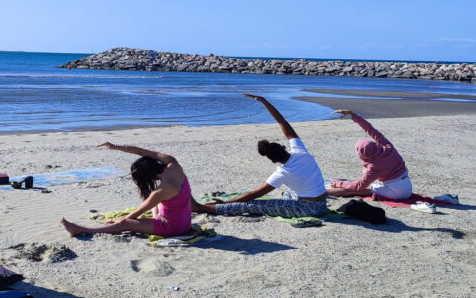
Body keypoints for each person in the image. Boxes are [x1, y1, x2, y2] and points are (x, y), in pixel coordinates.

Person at [191, 94, 327, 219]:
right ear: (284, 148)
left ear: (273, 161)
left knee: (252, 205)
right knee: (288, 192)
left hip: (309, 209)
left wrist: (227, 202)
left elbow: (253, 195)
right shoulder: (301, 151)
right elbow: (283, 123)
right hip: (322, 203)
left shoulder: (283, 173)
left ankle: (200, 207)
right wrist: (265, 101)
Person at [61, 142, 192, 238]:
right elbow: (142, 152)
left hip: (172, 228)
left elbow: (136, 213)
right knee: (155, 204)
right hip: (185, 222)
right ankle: (155, 217)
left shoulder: (160, 192)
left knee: (126, 223)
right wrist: (116, 147)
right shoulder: (172, 163)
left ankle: (82, 230)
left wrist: (119, 222)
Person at [325, 110, 412, 200]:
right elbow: (370, 129)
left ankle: (321, 192)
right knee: (358, 184)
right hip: (406, 184)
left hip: (396, 192)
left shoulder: (373, 167)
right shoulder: (387, 147)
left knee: (353, 190)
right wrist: (353, 115)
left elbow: (358, 186)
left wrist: (339, 184)